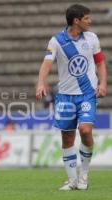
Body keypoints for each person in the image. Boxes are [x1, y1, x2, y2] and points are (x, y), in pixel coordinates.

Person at [36, 4, 107, 191]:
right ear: (76, 21)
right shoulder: (57, 41)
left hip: (86, 95)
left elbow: (100, 63)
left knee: (85, 130)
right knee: (67, 138)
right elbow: (46, 63)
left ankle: (84, 175)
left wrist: (103, 83)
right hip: (66, 97)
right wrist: (41, 82)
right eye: (87, 18)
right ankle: (72, 180)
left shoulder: (92, 38)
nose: (90, 21)